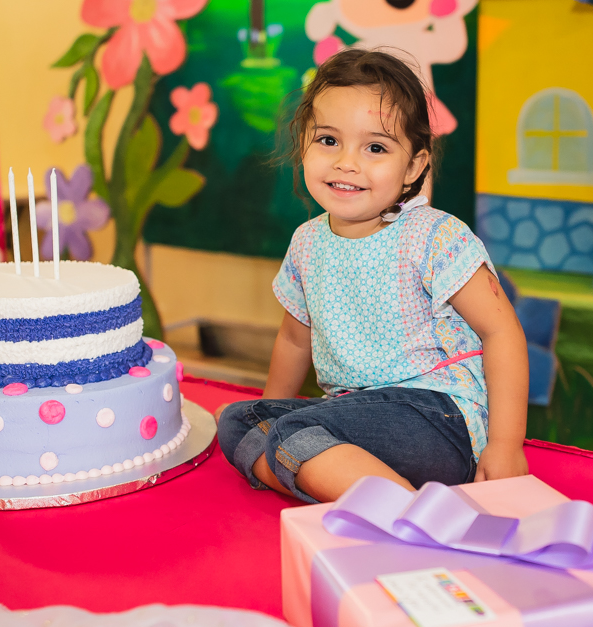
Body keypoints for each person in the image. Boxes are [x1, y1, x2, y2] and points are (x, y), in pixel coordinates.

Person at [216, 48, 529, 504]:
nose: (347, 162)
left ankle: (405, 516)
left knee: (293, 433)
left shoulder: (432, 235)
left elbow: (501, 330)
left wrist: (506, 445)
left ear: (415, 167)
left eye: (376, 147)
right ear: (304, 141)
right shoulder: (307, 241)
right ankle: (361, 485)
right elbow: (293, 340)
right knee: (236, 422)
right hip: (355, 418)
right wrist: (268, 414)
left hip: (438, 417)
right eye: (328, 141)